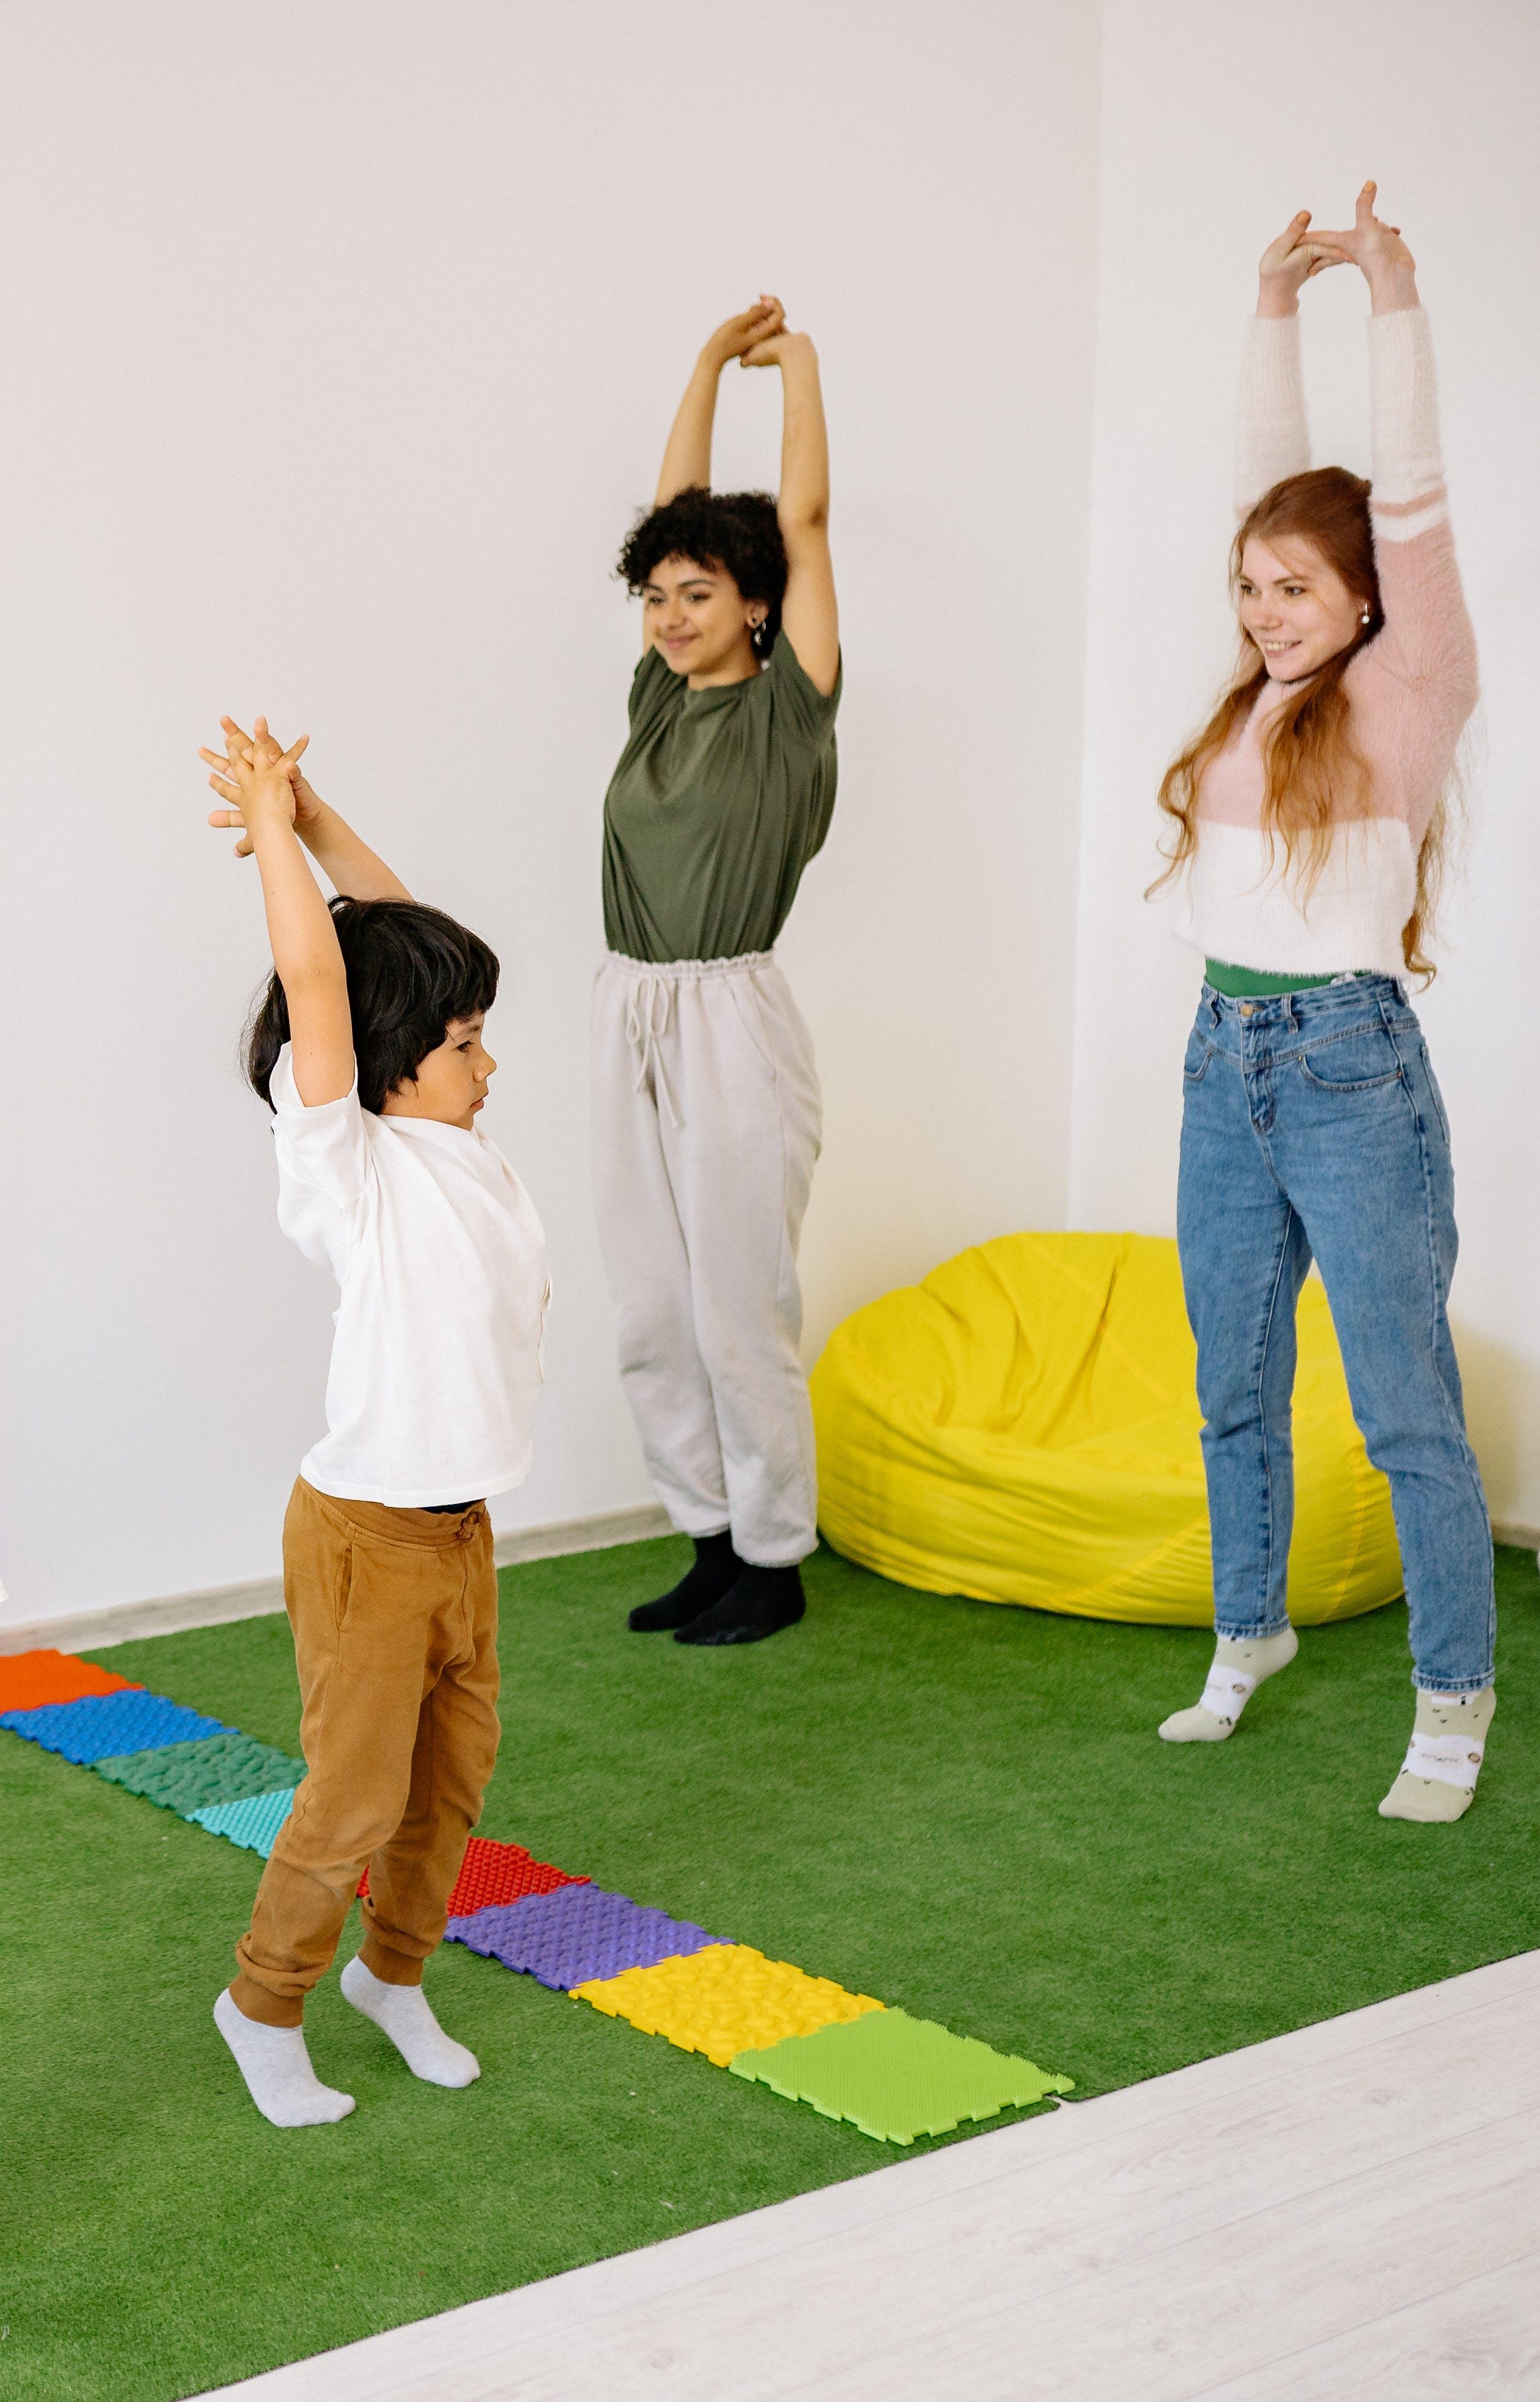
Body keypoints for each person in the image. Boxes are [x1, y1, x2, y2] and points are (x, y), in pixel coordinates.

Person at [1148, 187, 1492, 1822]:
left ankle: (1451, 1699)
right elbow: (1263, 495)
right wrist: (1270, 303)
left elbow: (1405, 497)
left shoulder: (1409, 691)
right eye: (1252, 588)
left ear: (1370, 601)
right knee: (1230, 1378)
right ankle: (1250, 1631)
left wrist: (1388, 291)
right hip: (1224, 1059)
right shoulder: (1253, 700)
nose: (1268, 609)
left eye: (1299, 588)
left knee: (1401, 1404)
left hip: (1351, 1071)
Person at [201, 718, 546, 2129]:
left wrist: (324, 811)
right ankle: (264, 1997)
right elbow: (321, 975)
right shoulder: (351, 1162)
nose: (487, 1064)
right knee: (351, 1794)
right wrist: (273, 842)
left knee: (451, 1775)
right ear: (389, 1064)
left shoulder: (461, 1144)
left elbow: (401, 935)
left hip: (459, 1525)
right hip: (364, 1534)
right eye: (463, 1045)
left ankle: (391, 1973)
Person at [596, 297, 842, 1647]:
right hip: (625, 1003)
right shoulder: (656, 697)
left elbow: (800, 521)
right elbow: (673, 501)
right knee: (646, 1296)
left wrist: (794, 367)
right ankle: (707, 1535)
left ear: (755, 606)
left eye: (700, 591)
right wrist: (697, 365)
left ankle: (776, 1554)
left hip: (733, 1015)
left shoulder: (788, 700)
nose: (673, 612)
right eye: (657, 593)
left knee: (738, 1299)